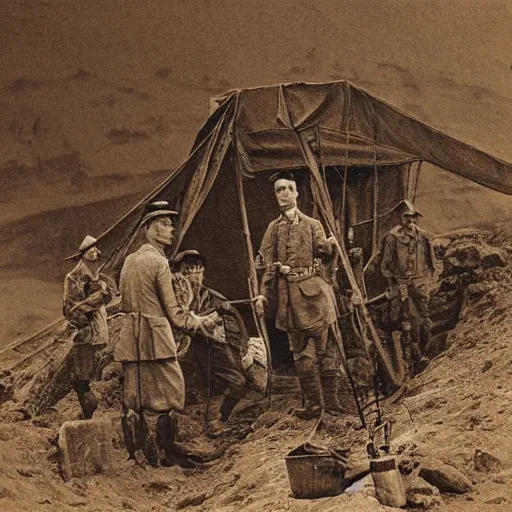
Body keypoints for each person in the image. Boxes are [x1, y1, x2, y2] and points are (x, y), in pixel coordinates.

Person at [115, 202, 218, 467]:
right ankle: (168, 453)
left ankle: (139, 456)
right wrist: (202, 321)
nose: (170, 229)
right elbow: (174, 314)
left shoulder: (129, 261)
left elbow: (126, 301)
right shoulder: (159, 262)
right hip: (156, 338)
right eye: (163, 224)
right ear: (147, 229)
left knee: (135, 399)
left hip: (130, 339)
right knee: (173, 395)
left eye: (171, 224)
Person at [254, 171, 343, 419]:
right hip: (290, 300)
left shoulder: (313, 225)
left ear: (296, 193)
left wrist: (331, 245)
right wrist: (263, 295)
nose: (282, 194)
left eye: (287, 189)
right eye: (278, 190)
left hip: (316, 296)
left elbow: (326, 256)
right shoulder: (273, 229)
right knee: (302, 354)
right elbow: (265, 265)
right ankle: (314, 405)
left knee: (327, 351)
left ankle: (333, 403)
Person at [171, 250, 248, 438]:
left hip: (213, 345)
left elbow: (232, 317)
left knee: (236, 381)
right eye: (188, 270)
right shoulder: (175, 296)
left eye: (198, 269)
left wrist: (243, 346)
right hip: (189, 346)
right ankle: (213, 423)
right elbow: (178, 319)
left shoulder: (211, 296)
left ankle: (218, 419)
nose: (194, 275)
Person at [61, 235, 118, 419]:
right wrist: (84, 322)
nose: (94, 252)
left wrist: (103, 295)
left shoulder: (101, 277)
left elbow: (109, 296)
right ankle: (85, 404)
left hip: (99, 325)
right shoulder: (73, 277)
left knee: (98, 362)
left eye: (95, 249)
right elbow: (70, 307)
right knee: (84, 371)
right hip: (86, 330)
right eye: (90, 250)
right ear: (83, 254)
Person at [379, 199, 435, 376]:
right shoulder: (392, 237)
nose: (410, 221)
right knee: (403, 322)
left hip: (419, 283)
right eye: (406, 218)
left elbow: (432, 263)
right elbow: (385, 265)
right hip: (401, 284)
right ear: (400, 218)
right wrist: (395, 282)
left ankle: (426, 356)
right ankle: (407, 366)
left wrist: (428, 280)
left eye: (412, 218)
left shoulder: (423, 236)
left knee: (425, 321)